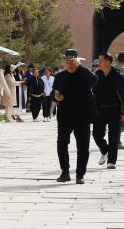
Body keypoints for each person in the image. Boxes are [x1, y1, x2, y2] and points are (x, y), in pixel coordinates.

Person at [52, 49, 97, 184]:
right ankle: (65, 172)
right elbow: (54, 92)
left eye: (73, 62)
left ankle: (80, 175)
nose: (70, 64)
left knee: (83, 147)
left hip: (82, 116)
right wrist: (56, 97)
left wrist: (80, 67)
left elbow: (94, 80)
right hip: (64, 116)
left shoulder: (84, 74)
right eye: (68, 62)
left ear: (77, 61)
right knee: (61, 144)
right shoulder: (60, 76)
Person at [93, 52, 124, 170]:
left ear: (108, 62)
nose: (98, 62)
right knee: (96, 135)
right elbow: (92, 94)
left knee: (113, 137)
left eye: (101, 60)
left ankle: (111, 161)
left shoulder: (118, 76)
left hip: (115, 110)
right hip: (100, 110)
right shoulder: (96, 76)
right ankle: (104, 150)